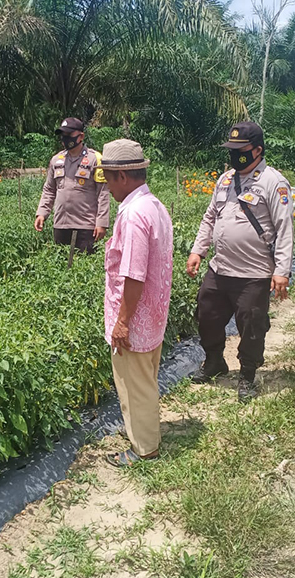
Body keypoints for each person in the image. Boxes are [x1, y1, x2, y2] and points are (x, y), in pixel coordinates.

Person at [186, 122, 295, 400]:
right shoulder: (225, 179)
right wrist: (198, 250)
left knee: (251, 324)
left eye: (241, 150)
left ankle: (247, 374)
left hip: (254, 273)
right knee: (207, 316)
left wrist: (282, 271)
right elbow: (210, 217)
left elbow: (284, 228)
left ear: (258, 150)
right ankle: (214, 362)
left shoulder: (273, 182)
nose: (235, 155)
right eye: (232, 150)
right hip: (220, 268)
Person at [101, 139, 173, 467]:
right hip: (154, 314)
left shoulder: (132, 214)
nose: (106, 185)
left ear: (123, 177)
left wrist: (122, 321)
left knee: (135, 386)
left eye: (108, 177)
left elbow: (133, 274)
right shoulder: (154, 205)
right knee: (146, 379)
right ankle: (145, 435)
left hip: (136, 319)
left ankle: (145, 449)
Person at [34, 118, 110, 253]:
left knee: (84, 268)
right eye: (63, 135)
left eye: (69, 135)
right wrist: (42, 213)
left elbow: (103, 193)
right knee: (61, 267)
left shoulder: (95, 159)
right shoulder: (56, 160)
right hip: (61, 224)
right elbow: (49, 190)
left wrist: (102, 223)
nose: (65, 138)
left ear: (81, 136)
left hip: (86, 226)